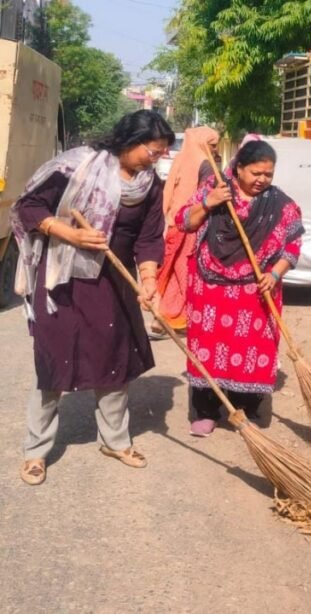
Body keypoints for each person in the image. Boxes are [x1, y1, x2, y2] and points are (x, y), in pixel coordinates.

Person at [12, 110, 175, 485]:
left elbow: (149, 237)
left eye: (162, 153)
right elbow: (29, 206)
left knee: (114, 359)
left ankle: (114, 441)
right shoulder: (77, 168)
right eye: (153, 151)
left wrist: (148, 278)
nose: (157, 159)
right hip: (63, 281)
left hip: (113, 281)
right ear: (130, 142)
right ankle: (35, 451)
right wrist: (69, 235)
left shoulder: (150, 185)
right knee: (53, 361)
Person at [175, 140, 304, 437]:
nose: (262, 180)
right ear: (239, 169)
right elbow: (184, 222)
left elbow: (293, 246)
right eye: (255, 173)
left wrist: (274, 273)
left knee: (250, 350)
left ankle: (244, 409)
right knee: (208, 349)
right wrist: (209, 202)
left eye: (268, 174)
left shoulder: (280, 204)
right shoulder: (215, 186)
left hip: (255, 290)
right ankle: (206, 411)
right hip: (211, 287)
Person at [152, 126, 220, 336]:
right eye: (213, 144)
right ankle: (179, 316)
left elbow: (168, 189)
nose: (215, 149)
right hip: (191, 224)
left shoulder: (181, 158)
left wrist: (163, 216)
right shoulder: (206, 164)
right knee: (185, 272)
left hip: (174, 221)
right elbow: (207, 197)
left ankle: (166, 316)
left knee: (174, 269)